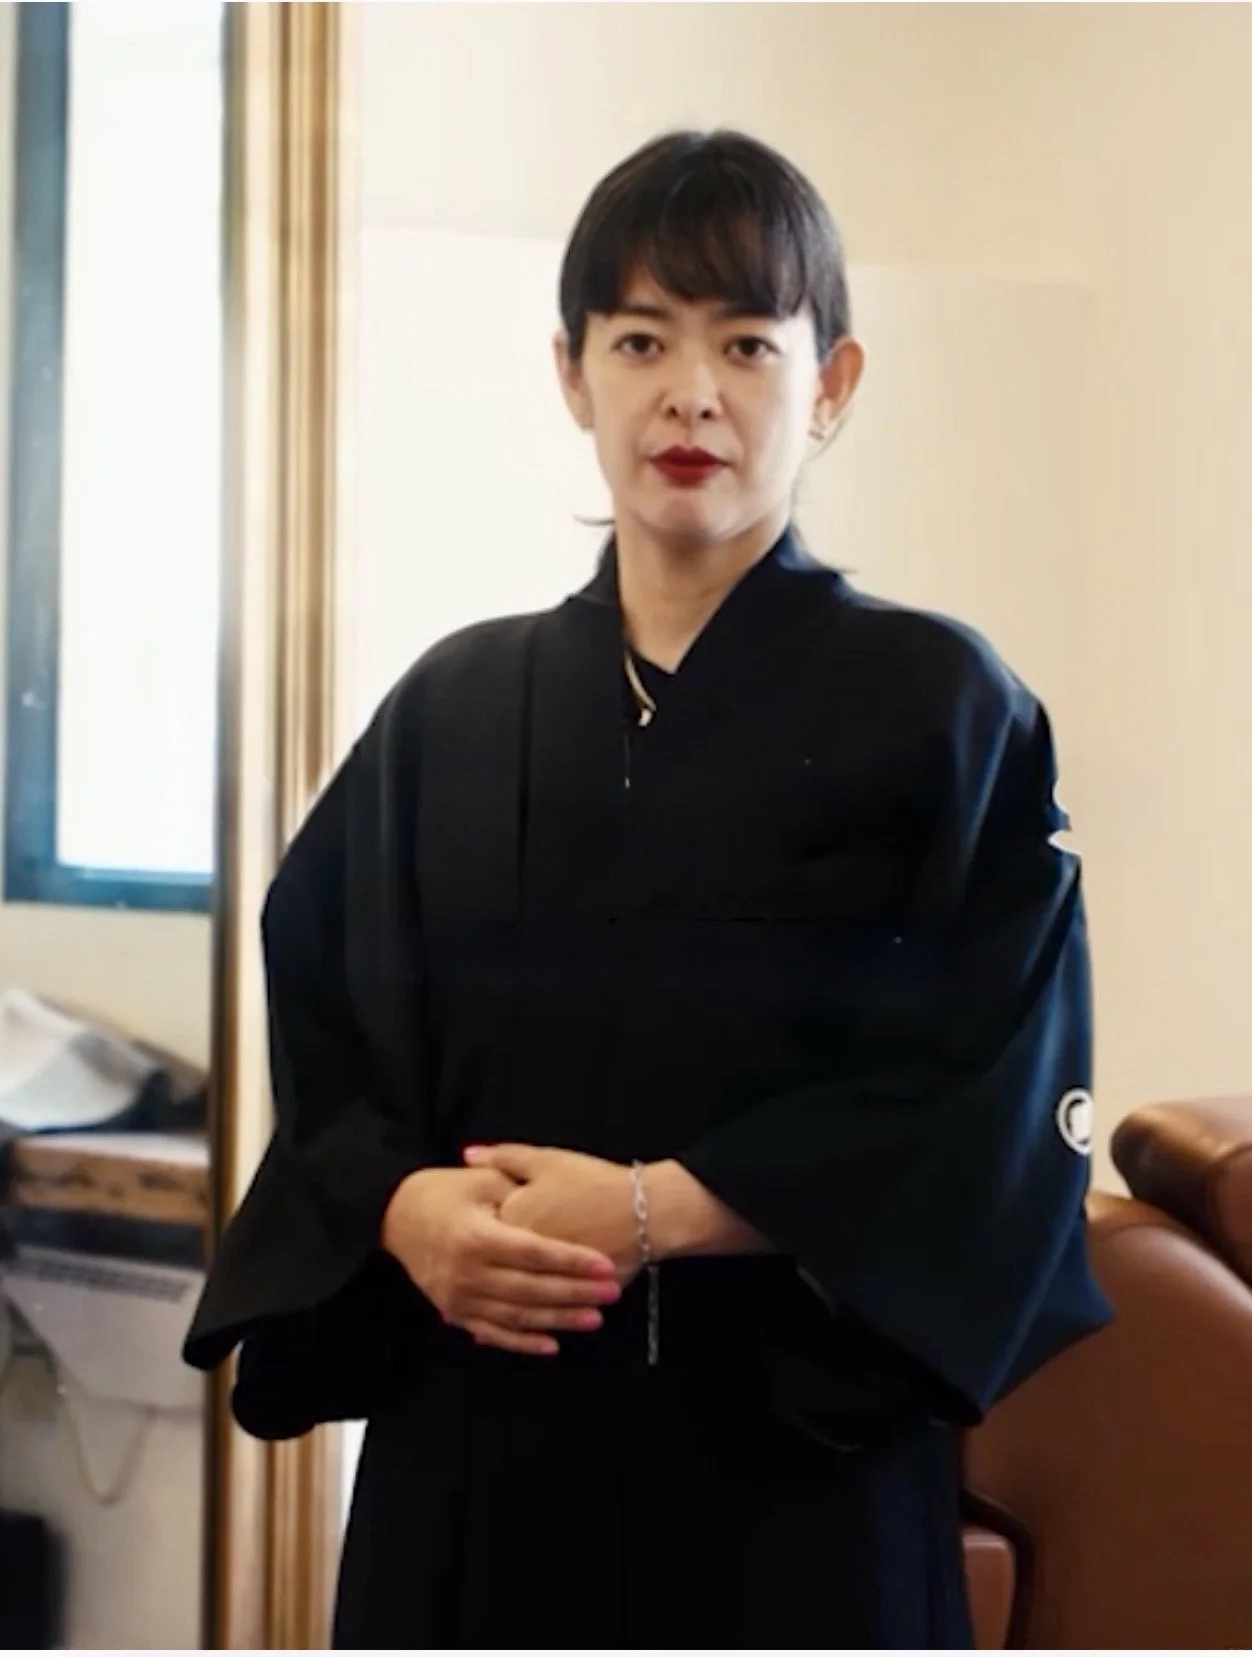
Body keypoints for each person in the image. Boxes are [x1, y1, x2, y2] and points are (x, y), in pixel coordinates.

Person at [183, 129, 1112, 1649]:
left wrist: (655, 1212)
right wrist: (409, 1210)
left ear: (833, 385)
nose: (691, 391)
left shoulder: (943, 706)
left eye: (748, 342)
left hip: (791, 1483)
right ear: (572, 375)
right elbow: (330, 1044)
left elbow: (991, 1097)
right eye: (641, 339)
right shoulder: (450, 709)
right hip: (475, 1460)